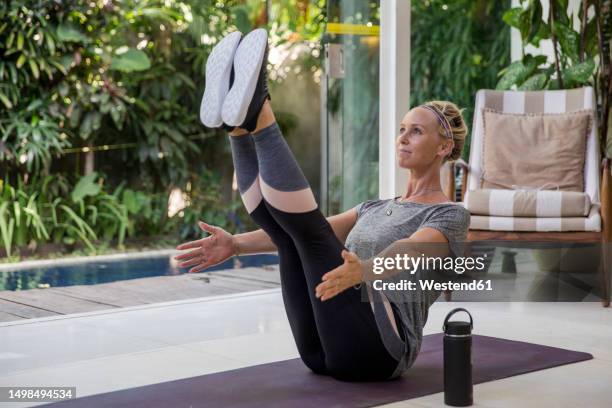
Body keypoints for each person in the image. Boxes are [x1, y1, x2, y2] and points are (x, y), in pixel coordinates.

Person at [174, 28, 470, 382]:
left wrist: (364, 270)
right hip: (321, 350)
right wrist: (236, 244)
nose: (403, 137)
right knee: (290, 238)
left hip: (380, 353)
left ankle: (259, 111)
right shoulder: (373, 207)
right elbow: (312, 229)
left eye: (417, 131)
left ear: (443, 148)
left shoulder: (450, 215)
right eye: (402, 128)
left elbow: (410, 250)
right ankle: (238, 126)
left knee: (310, 234)